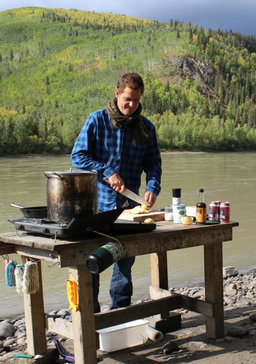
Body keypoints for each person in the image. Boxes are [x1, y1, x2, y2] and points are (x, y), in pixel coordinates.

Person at [71, 72, 162, 313]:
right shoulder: (97, 120)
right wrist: (107, 171)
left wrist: (152, 188)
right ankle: (91, 316)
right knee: (93, 263)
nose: (131, 105)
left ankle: (119, 314)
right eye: (127, 99)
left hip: (129, 211)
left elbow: (153, 166)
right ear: (117, 93)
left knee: (124, 264)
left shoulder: (146, 128)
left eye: (136, 100)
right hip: (96, 208)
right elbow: (77, 156)